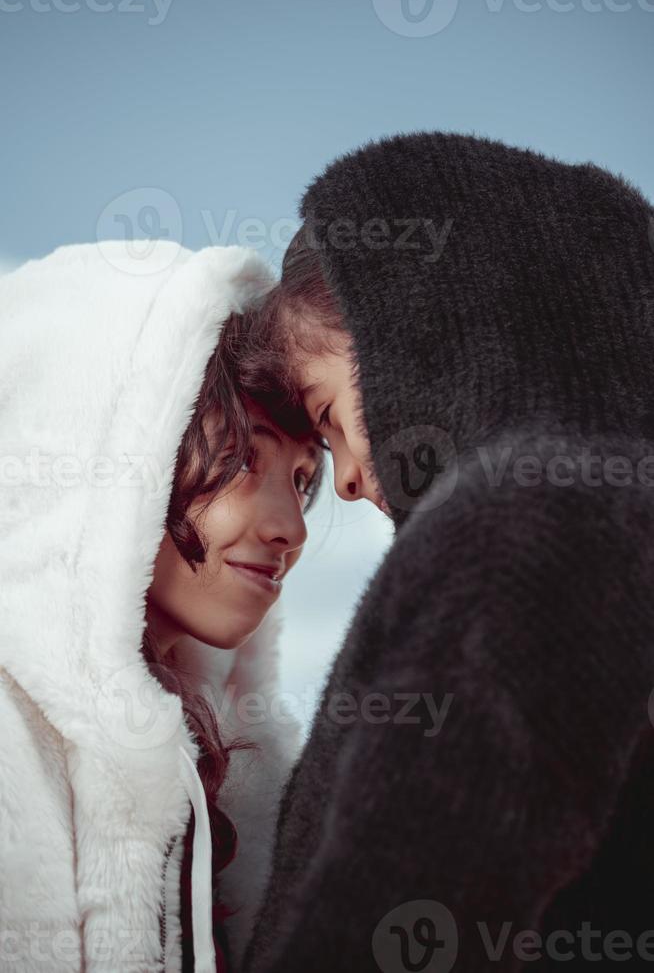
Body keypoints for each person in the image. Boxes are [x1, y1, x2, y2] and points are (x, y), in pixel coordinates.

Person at [241, 131, 654, 972]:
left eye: (326, 419)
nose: (346, 485)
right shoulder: (614, 512)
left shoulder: (521, 529)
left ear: (416, 336)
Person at [0, 240, 325, 973]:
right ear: (113, 455)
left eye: (302, 479)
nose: (292, 527)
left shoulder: (226, 761)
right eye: (246, 460)